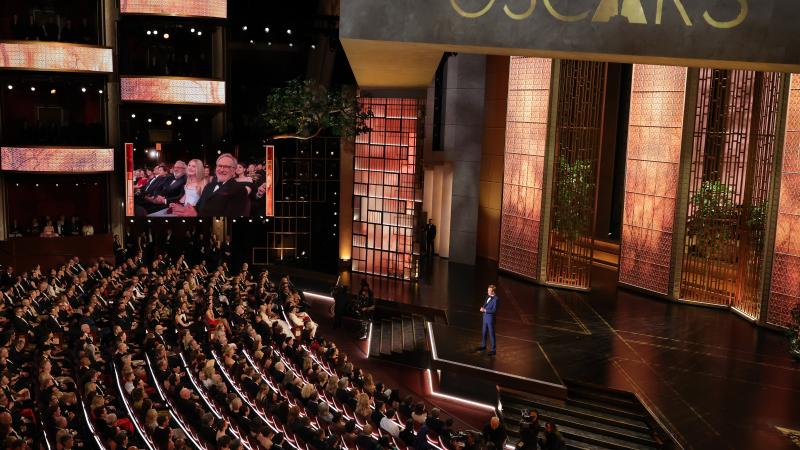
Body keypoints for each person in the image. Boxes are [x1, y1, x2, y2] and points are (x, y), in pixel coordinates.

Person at [173, 154, 249, 217]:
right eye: (219, 166)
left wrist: (196, 215)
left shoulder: (239, 190)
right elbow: (199, 206)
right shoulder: (209, 186)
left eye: (226, 167)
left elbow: (228, 218)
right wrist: (185, 209)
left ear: (234, 170)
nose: (221, 169)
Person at [477, 284, 499, 356]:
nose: (488, 291)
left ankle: (493, 350)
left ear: (493, 291)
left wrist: (485, 310)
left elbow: (494, 310)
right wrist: (482, 308)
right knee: (484, 332)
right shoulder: (487, 296)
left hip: (490, 319)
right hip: (485, 317)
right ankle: (483, 346)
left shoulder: (496, 299)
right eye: (488, 290)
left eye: (489, 290)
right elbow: (485, 304)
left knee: (491, 334)